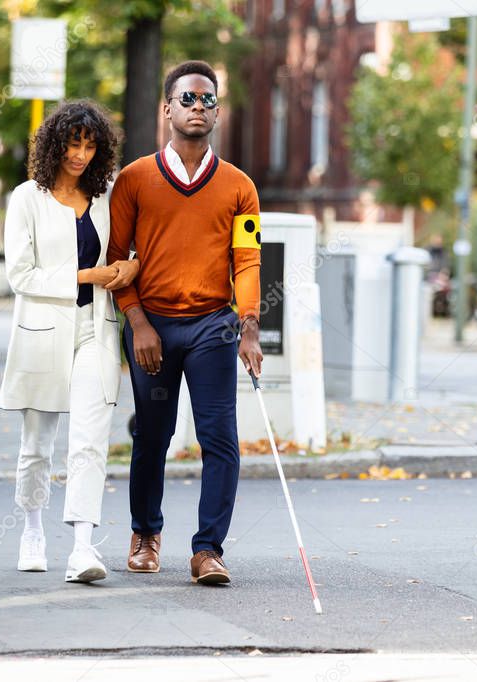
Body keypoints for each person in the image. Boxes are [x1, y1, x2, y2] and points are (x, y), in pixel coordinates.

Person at [107, 60, 263, 586]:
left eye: (208, 100)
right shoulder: (134, 180)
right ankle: (146, 533)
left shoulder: (240, 187)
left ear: (218, 110)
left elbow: (246, 259)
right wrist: (137, 321)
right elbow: (115, 258)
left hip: (211, 326)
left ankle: (208, 550)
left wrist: (249, 325)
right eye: (189, 99)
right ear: (167, 108)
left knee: (220, 436)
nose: (199, 107)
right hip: (151, 324)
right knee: (153, 433)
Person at [0, 99, 139, 583]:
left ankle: (82, 548)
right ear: (54, 145)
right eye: (73, 144)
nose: (80, 155)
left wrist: (128, 267)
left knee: (90, 441)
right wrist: (89, 274)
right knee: (37, 445)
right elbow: (21, 275)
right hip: (42, 330)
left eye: (89, 145)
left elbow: (131, 246)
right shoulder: (26, 199)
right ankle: (33, 531)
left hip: (95, 328)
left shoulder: (105, 196)